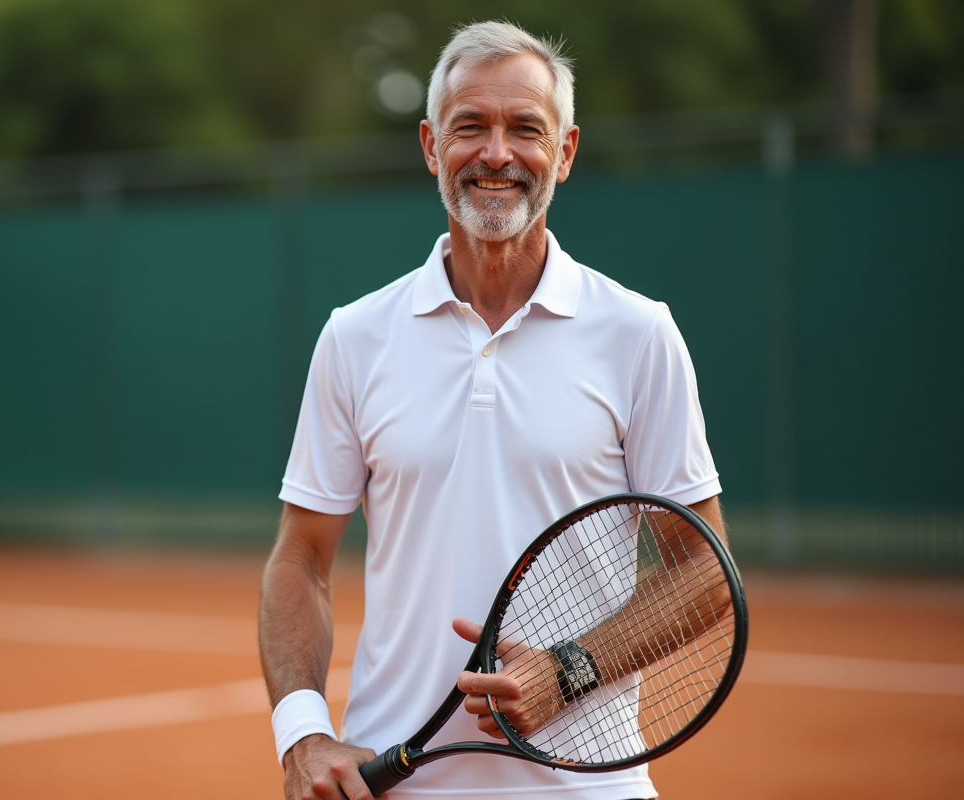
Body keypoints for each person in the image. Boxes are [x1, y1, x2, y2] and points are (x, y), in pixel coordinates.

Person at [259, 19, 724, 800]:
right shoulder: (355, 337)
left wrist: (572, 670)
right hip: (397, 782)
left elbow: (704, 569)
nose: (497, 154)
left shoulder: (639, 333)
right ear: (431, 147)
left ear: (566, 153)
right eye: (469, 126)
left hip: (590, 790)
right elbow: (299, 559)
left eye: (526, 129)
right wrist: (301, 732)